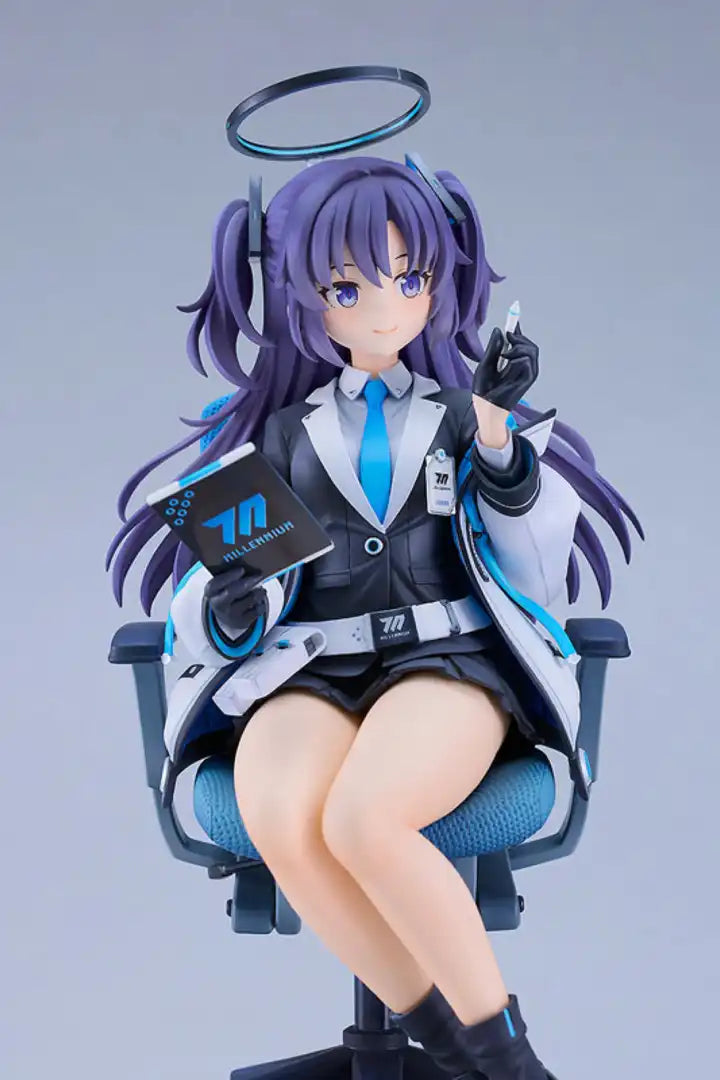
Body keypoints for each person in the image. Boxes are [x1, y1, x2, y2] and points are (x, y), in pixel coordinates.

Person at [108, 156, 642, 1080]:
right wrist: (232, 606)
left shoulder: (461, 418)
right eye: (348, 288)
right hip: (309, 665)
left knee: (363, 819)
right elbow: (224, 592)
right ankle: (453, 1048)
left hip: (443, 660)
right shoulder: (282, 433)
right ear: (300, 296)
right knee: (281, 816)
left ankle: (514, 1064)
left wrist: (496, 435)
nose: (386, 309)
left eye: (411, 277)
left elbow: (532, 561)